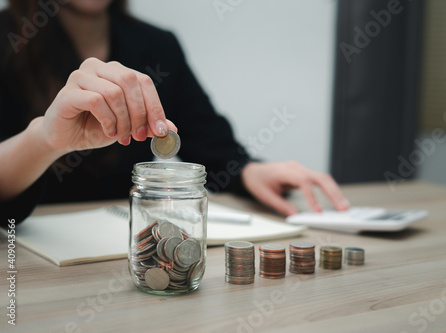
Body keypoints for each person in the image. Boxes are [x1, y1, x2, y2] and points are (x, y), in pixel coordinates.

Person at [0, 0, 349, 225]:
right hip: (30, 262)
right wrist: (44, 140)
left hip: (137, 249)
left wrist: (250, 171)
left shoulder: (158, 45)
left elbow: (211, 146)